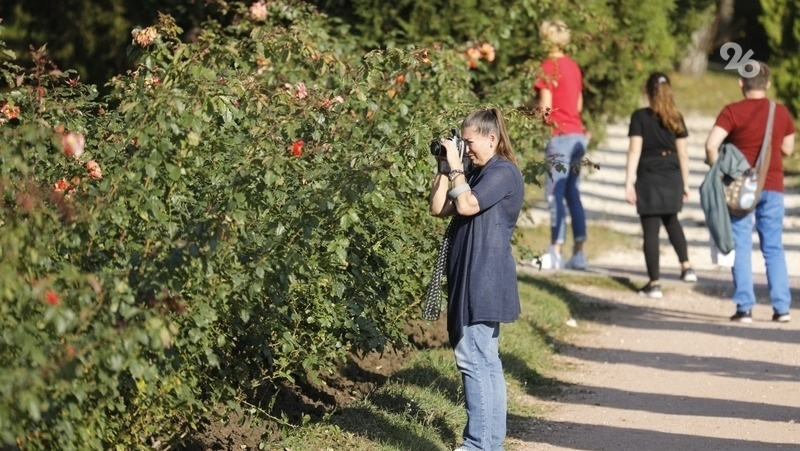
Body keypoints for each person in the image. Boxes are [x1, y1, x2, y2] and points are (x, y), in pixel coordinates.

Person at [429, 107, 524, 451]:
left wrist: (457, 166)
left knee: (475, 358)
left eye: (469, 142)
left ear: (492, 138)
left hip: (484, 277)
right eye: (462, 142)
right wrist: (445, 166)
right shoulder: (481, 173)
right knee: (483, 359)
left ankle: (480, 445)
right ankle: (488, 444)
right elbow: (439, 207)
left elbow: (467, 206)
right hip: (473, 275)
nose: (466, 149)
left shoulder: (504, 172)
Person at [704, 61, 795, 323]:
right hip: (773, 186)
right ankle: (782, 309)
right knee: (773, 247)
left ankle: (744, 308)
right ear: (767, 84)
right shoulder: (780, 112)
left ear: (741, 82)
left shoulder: (732, 111)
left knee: (741, 245)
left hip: (739, 189)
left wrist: (717, 167)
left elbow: (712, 144)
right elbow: (788, 149)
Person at [625, 72, 698, 299]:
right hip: (672, 174)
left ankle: (654, 284)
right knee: (672, 220)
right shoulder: (677, 117)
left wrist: (629, 181)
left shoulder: (639, 117)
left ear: (647, 92)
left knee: (651, 229)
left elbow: (635, 149)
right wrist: (686, 183)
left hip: (649, 175)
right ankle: (687, 268)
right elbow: (683, 154)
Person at [534, 19, 589, 270]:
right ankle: (578, 253)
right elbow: (577, 105)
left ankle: (555, 250)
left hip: (559, 135)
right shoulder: (574, 67)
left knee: (554, 192)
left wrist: (531, 118)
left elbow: (545, 110)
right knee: (572, 192)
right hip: (578, 134)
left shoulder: (548, 67)